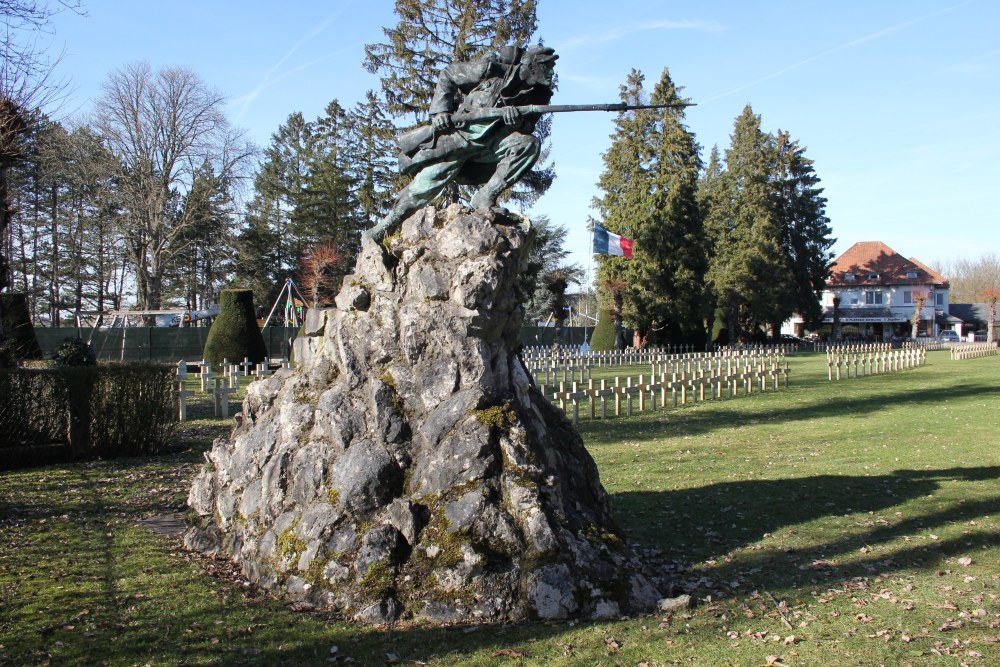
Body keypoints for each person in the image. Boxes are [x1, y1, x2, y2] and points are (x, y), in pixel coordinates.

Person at [363, 45, 558, 241]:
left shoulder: (540, 95)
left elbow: (527, 127)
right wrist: (441, 112)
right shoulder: (490, 70)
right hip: (460, 136)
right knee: (424, 187)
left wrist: (518, 122)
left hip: (494, 143)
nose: (551, 73)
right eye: (547, 67)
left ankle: (485, 196)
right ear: (533, 66)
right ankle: (385, 227)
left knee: (528, 144)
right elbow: (448, 74)